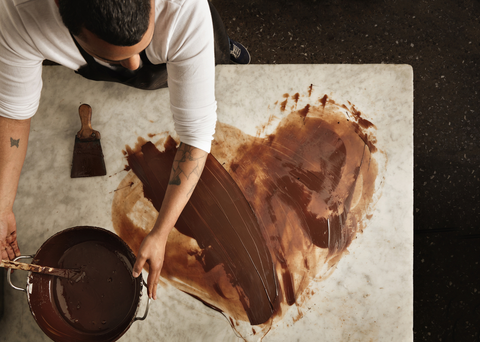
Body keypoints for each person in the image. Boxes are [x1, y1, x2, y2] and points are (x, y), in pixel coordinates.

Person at [0, 0, 250, 300]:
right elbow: (13, 115)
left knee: (213, 50)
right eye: (114, 57)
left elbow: (196, 135)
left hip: (186, 36)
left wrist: (161, 232)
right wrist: (2, 206)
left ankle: (221, 50)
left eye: (138, 46)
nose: (133, 65)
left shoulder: (185, 10)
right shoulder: (18, 14)